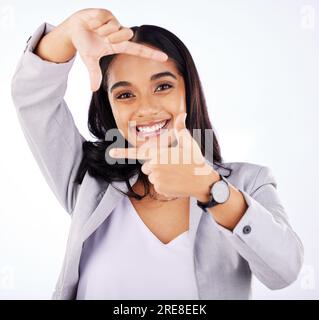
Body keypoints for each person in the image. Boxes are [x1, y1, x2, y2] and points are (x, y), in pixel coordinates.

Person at [11, 8, 304, 300]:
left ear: (188, 91)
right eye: (125, 94)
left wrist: (210, 188)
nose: (146, 108)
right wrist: (66, 32)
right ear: (110, 107)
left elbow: (284, 271)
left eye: (162, 86)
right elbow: (33, 96)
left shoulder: (248, 182)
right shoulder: (89, 183)